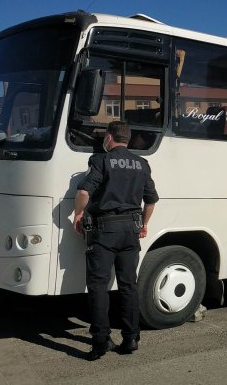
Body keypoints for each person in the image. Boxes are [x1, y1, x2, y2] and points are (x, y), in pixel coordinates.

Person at [73, 120, 159, 361]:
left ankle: (101, 340)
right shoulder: (142, 164)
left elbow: (83, 192)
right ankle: (131, 338)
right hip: (131, 231)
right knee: (128, 284)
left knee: (99, 286)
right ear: (127, 139)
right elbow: (151, 200)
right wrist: (144, 223)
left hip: (104, 231)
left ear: (109, 138)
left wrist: (79, 214)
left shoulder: (101, 160)